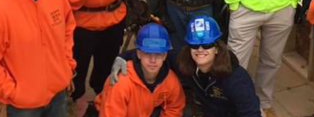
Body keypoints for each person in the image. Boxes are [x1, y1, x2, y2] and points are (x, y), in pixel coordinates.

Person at [109, 16, 261, 117]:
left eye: (206, 44)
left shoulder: (236, 79)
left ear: (217, 48)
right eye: (195, 44)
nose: (200, 49)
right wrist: (122, 57)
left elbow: (251, 113)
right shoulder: (185, 61)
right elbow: (152, 52)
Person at [93, 23, 185, 117]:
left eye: (158, 54)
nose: (153, 60)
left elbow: (174, 109)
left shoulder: (170, 81)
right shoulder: (121, 82)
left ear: (165, 56)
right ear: (139, 54)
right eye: (147, 54)